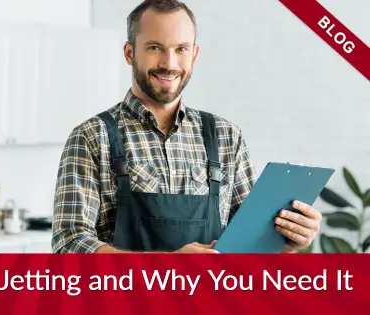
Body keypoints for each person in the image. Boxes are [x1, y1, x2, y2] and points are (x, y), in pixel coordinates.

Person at [51, 0, 322, 254]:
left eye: (180, 49)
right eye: (155, 47)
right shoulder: (91, 136)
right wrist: (169, 265)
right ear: (129, 52)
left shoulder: (226, 136)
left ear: (194, 54)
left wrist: (287, 239)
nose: (169, 64)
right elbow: (69, 245)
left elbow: (247, 244)